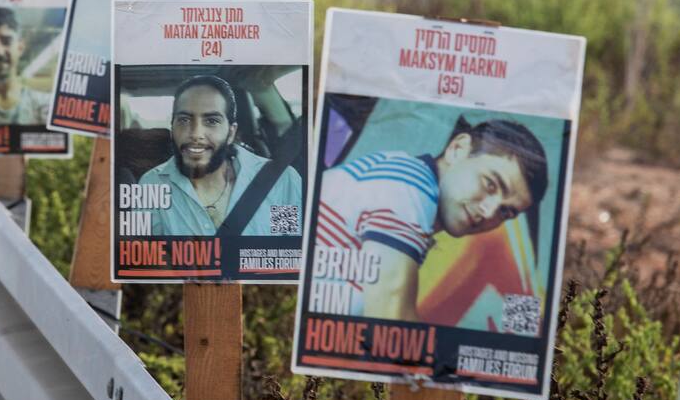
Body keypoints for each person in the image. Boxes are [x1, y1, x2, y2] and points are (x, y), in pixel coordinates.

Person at [314, 116, 548, 322]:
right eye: (490, 184)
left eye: (506, 212)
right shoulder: (410, 186)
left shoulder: (407, 184)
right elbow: (389, 324)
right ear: (458, 149)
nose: (488, 212)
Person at [136, 74, 302, 236]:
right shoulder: (151, 184)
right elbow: (145, 253)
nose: (196, 133)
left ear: (231, 133)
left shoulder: (280, 182)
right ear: (172, 128)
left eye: (211, 121)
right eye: (184, 120)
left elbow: (288, 251)